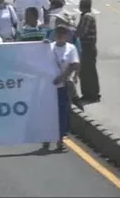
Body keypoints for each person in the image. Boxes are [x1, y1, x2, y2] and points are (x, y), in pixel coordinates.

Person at [47, 25, 80, 153]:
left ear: (67, 35)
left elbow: (74, 65)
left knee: (62, 114)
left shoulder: (71, 48)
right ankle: (46, 138)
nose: (60, 35)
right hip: (49, 88)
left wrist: (62, 77)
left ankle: (60, 140)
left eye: (63, 33)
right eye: (58, 32)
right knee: (48, 113)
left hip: (63, 86)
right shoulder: (48, 47)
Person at [75, 0, 100, 102]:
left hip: (87, 48)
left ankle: (92, 94)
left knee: (88, 72)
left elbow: (82, 32)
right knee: (85, 72)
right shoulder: (84, 16)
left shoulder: (87, 17)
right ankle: (88, 93)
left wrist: (74, 33)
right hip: (85, 47)